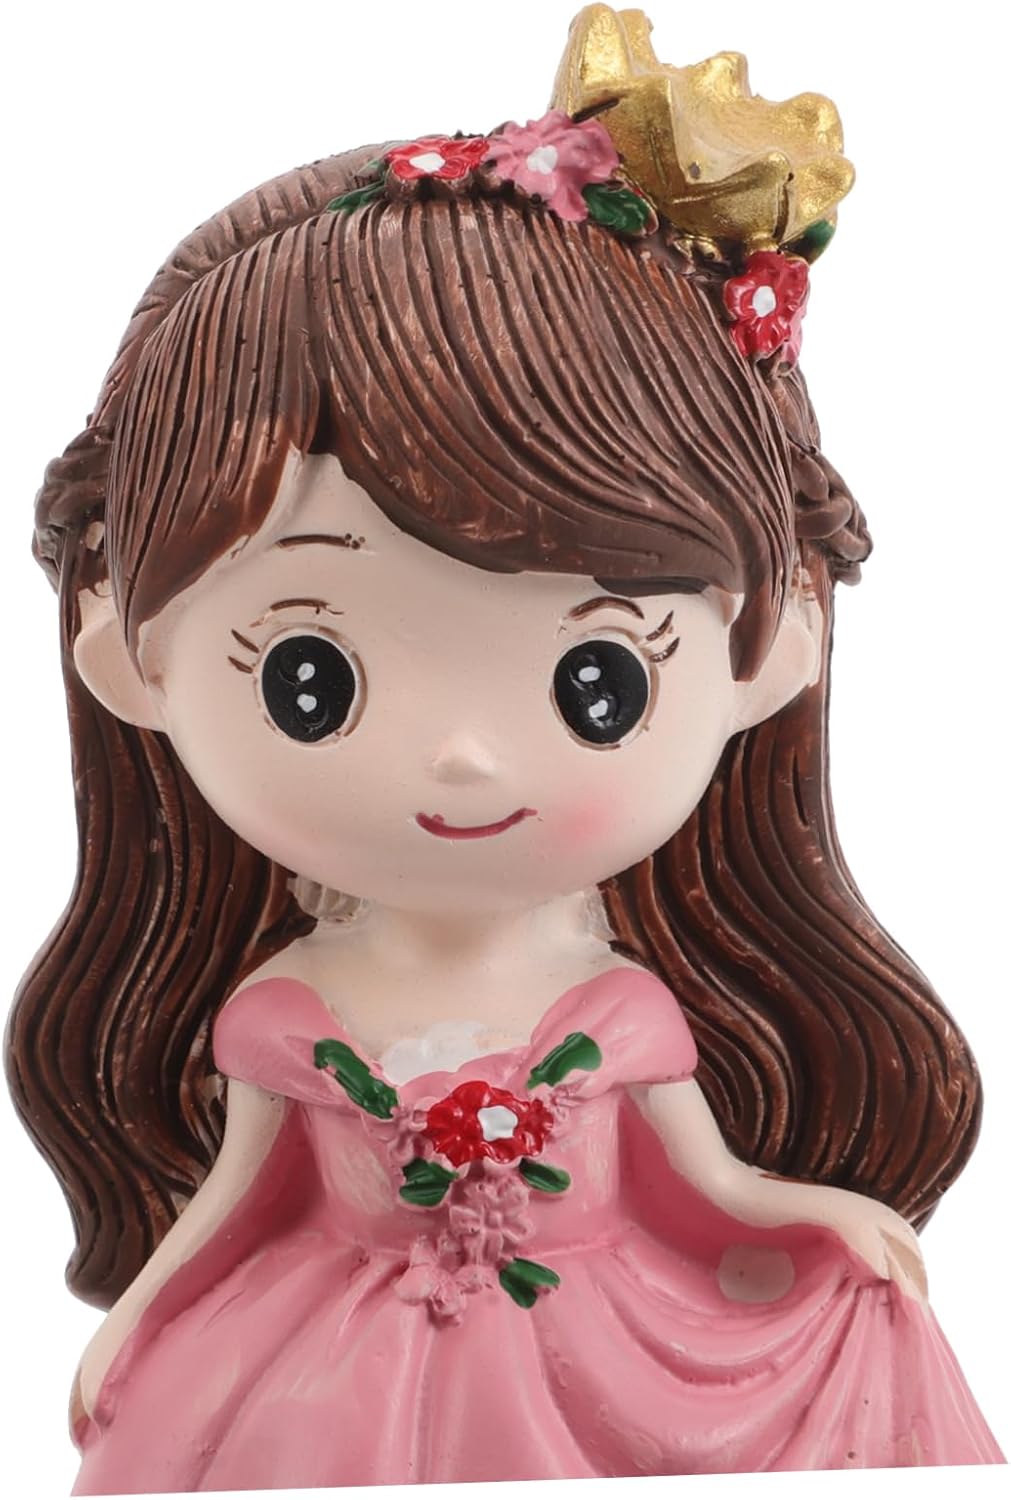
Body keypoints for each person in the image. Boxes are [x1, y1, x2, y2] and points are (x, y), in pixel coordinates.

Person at [7, 6, 1004, 1491]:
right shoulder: (288, 1010)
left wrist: (818, 1217)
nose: (466, 760)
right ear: (127, 660)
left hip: (613, 1335)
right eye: (310, 680)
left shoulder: (617, 1009)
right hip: (338, 1359)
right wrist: (139, 1316)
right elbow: (225, 1209)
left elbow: (719, 1183)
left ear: (772, 650)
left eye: (599, 681)